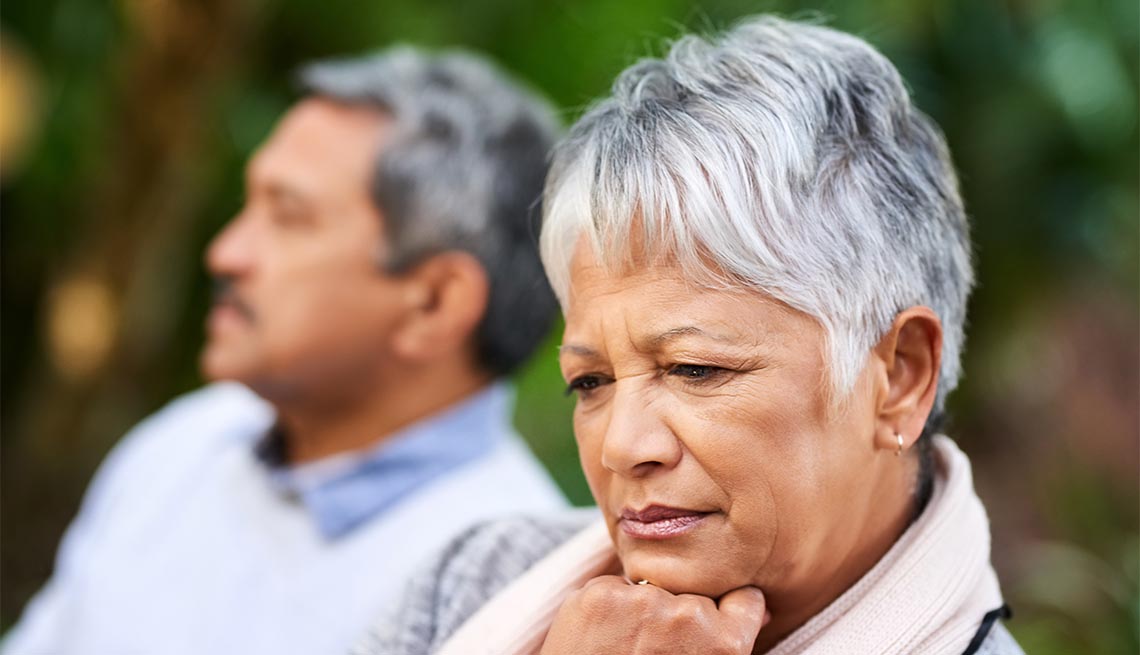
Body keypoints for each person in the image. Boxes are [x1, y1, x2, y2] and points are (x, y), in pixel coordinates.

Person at [355, 16, 1025, 655]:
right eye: (590, 382)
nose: (622, 446)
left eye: (693, 368)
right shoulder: (473, 583)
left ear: (900, 375)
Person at [3, 47, 568, 655]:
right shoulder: (184, 445)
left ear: (434, 301)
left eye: (288, 216)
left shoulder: (515, 594)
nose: (227, 252)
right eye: (250, 205)